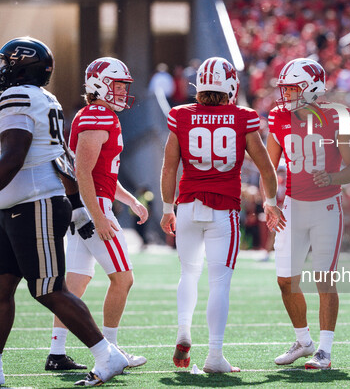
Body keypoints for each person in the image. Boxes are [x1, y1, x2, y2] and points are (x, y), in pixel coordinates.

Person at [0, 36, 128, 387]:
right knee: (2, 287)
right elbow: (62, 161)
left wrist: (79, 209)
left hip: (33, 203)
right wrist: (77, 209)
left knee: (48, 289)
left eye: (6, 64)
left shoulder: (17, 96)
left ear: (18, 67)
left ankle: (107, 354)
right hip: (22, 203)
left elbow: (13, 154)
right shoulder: (46, 98)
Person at [160, 56, 285, 373]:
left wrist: (165, 208)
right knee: (219, 283)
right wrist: (270, 201)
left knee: (188, 274)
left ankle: (183, 331)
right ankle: (214, 356)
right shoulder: (242, 117)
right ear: (231, 87)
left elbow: (169, 167)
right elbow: (266, 168)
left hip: (187, 207)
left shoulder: (180, 116)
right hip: (224, 211)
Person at [47, 57, 149, 369]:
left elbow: (104, 175)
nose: (122, 91)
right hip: (94, 208)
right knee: (123, 279)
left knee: (76, 283)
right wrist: (98, 215)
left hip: (91, 205)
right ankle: (112, 350)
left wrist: (131, 201)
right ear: (99, 85)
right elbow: (83, 172)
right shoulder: (97, 116)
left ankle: (56, 352)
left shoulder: (99, 114)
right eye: (117, 85)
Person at [266, 58, 350, 369]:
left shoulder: (336, 116)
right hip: (292, 206)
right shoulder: (278, 115)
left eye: (293, 88)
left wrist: (332, 177)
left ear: (312, 88)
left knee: (324, 280)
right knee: (285, 280)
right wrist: (270, 200)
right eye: (285, 88)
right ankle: (303, 341)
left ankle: (325, 349)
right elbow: (269, 167)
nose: (286, 95)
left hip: (326, 206)